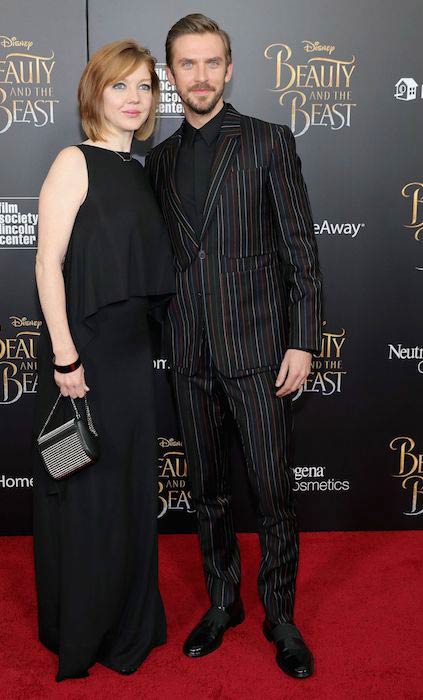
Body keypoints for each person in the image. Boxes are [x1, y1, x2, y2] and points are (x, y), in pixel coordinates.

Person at [146, 14, 322, 679]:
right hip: (187, 356)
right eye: (185, 65)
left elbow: (300, 250)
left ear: (230, 67)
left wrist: (302, 340)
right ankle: (223, 602)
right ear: (169, 75)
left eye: (210, 62)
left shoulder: (268, 141)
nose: (199, 75)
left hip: (257, 351)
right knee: (208, 491)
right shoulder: (158, 161)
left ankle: (279, 615)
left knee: (272, 491)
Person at [33, 39, 175, 682]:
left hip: (134, 351)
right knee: (90, 491)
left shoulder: (142, 169)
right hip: (87, 349)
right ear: (96, 93)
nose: (134, 98)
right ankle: (84, 628)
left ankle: (130, 623)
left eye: (144, 87)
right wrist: (65, 355)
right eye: (121, 86)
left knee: (129, 492)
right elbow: (48, 263)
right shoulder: (74, 160)